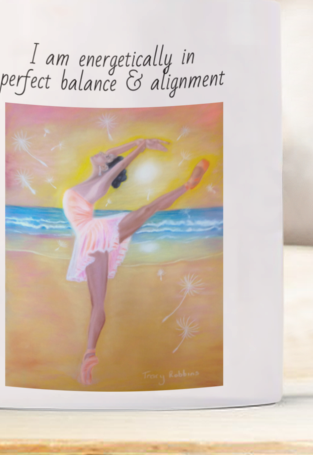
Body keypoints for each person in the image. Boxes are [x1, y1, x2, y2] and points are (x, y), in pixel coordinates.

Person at [62, 137, 209, 386]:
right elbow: (110, 157)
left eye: (106, 156)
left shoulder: (99, 185)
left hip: (96, 233)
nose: (103, 152)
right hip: (91, 237)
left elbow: (117, 165)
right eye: (105, 154)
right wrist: (138, 141)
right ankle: (89, 355)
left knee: (146, 210)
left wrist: (140, 149)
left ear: (107, 168)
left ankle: (187, 186)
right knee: (97, 303)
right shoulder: (94, 176)